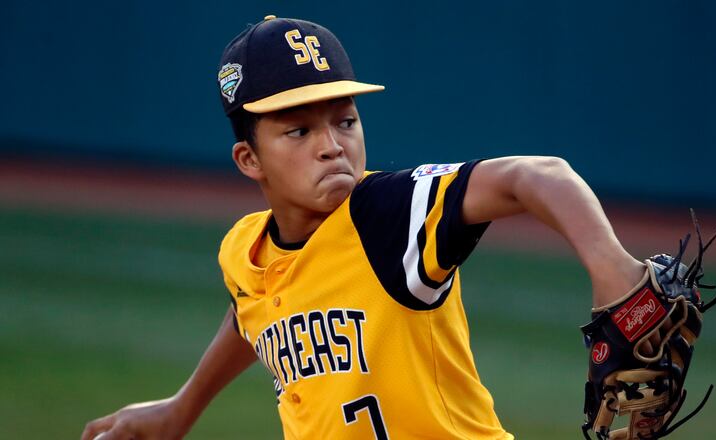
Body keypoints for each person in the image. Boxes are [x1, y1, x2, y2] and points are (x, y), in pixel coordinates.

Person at [82, 15, 645, 440]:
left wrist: (613, 270)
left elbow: (537, 175)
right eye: (298, 131)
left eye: (346, 121)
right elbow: (255, 310)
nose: (332, 147)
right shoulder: (243, 251)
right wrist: (183, 407)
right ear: (249, 160)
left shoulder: (387, 216)